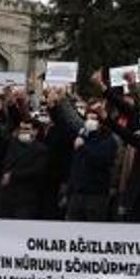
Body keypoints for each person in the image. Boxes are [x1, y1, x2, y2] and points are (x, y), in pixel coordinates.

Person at [51, 91, 117, 221]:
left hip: (96, 195)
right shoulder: (82, 135)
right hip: (76, 193)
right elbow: (65, 122)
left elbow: (101, 161)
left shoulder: (109, 140)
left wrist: (83, 147)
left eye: (94, 118)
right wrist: (55, 105)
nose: (90, 121)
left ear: (101, 122)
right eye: (88, 118)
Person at [0, 117, 49, 219]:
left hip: (26, 197)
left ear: (35, 131)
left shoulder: (40, 149)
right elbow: (5, 162)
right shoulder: (13, 144)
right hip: (7, 195)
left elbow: (37, 170)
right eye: (21, 129)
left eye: (27, 129)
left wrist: (13, 175)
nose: (23, 131)